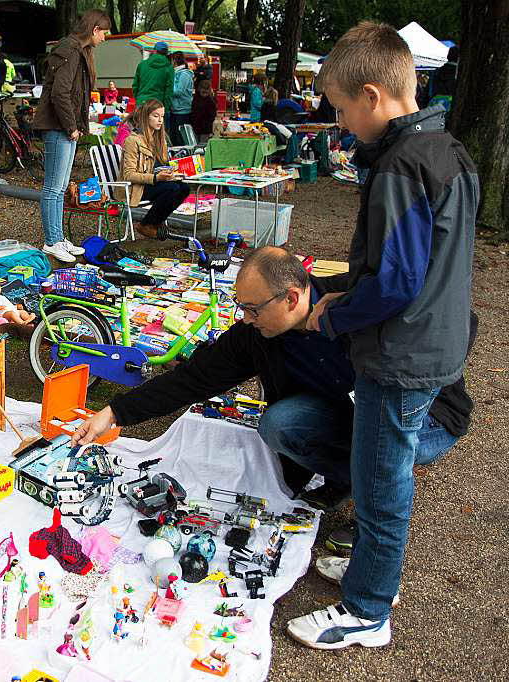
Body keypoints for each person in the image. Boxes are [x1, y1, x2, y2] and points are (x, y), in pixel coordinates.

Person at [71, 246, 476, 578]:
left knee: (379, 444)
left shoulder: (353, 301)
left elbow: (460, 320)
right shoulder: (257, 334)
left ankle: (378, 506)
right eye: (240, 307)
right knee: (279, 425)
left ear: (292, 298)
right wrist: (115, 411)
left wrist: (415, 377)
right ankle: (352, 475)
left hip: (425, 415)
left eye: (252, 308)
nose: (245, 318)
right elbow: (193, 379)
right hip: (345, 412)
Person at [299, 21, 476, 649]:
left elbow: (398, 282)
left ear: (373, 95)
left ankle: (368, 609)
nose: (342, 124)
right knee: (383, 467)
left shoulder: (401, 165)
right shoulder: (445, 147)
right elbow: (426, 263)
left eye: (343, 110)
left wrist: (336, 313)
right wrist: (353, 283)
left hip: (402, 351)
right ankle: (377, 571)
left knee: (381, 475)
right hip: (434, 337)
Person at [32, 9, 111, 264]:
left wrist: (76, 127)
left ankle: (58, 237)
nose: (106, 38)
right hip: (58, 128)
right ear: (94, 29)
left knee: (61, 187)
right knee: (53, 188)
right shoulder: (69, 49)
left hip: (66, 128)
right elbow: (60, 93)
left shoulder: (80, 51)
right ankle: (52, 241)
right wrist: (72, 127)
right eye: (105, 32)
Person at [118, 99, 190, 239]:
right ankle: (146, 224)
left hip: (151, 183)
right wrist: (156, 178)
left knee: (184, 187)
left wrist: (174, 172)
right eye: (155, 116)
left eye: (162, 116)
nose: (160, 120)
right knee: (173, 188)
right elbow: (128, 174)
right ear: (146, 117)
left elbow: (162, 166)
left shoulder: (159, 139)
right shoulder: (132, 141)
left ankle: (154, 223)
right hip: (135, 189)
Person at [132, 41, 173, 113]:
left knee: (141, 124)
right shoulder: (169, 68)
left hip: (141, 102)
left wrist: (138, 100)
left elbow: (135, 86)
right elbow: (169, 91)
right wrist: (165, 108)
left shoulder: (142, 65)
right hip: (158, 105)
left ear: (154, 51)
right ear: (166, 53)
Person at [169, 52, 194, 146]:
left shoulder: (184, 74)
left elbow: (179, 91)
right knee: (174, 138)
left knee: (180, 139)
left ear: (175, 61)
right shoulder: (176, 73)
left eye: (171, 60)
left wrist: (168, 85)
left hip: (182, 111)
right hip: (175, 110)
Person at [191, 78, 217, 143]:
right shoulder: (211, 101)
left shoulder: (196, 99)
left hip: (198, 127)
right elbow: (213, 116)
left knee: (197, 145)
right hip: (204, 128)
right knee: (202, 146)